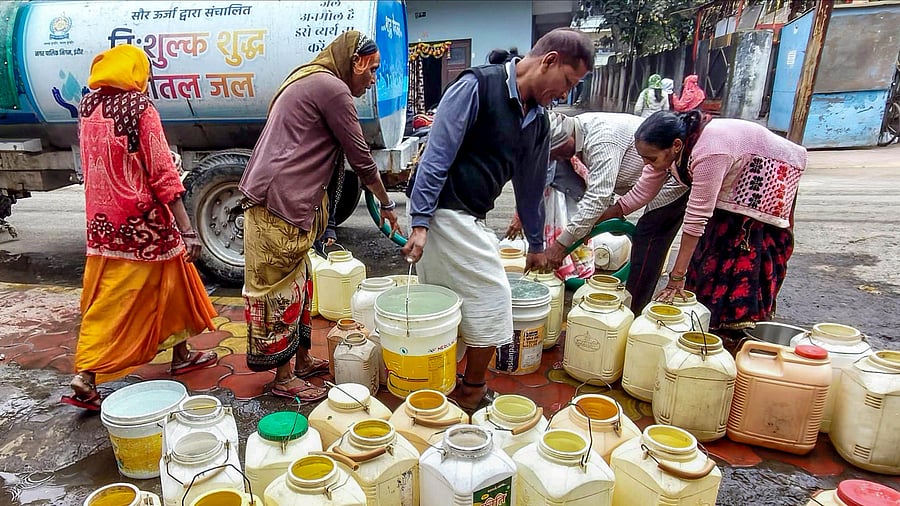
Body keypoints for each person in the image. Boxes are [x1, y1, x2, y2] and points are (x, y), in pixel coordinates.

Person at [402, 28, 594, 412]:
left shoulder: (538, 121)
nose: (565, 94)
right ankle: (472, 389)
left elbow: (530, 183)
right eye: (568, 82)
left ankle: (440, 381)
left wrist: (537, 244)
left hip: (469, 214)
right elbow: (437, 155)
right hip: (443, 211)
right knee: (494, 296)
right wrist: (421, 222)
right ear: (550, 60)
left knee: (450, 301)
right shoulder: (477, 87)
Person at [239, 31, 400, 401]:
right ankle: (282, 378)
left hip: (281, 201)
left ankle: (302, 359)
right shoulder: (333, 88)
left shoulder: (309, 77)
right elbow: (360, 156)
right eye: (372, 69)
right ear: (356, 62)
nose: (373, 79)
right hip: (277, 205)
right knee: (279, 291)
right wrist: (387, 204)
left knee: (301, 282)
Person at [63, 45, 218, 411]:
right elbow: (162, 172)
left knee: (173, 281)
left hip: (102, 227)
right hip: (143, 224)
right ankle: (86, 373)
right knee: (118, 303)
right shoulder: (139, 107)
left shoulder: (88, 106)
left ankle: (181, 353)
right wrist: (188, 229)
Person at [596, 110, 806, 339]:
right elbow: (643, 190)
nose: (647, 164)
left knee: (743, 252)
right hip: (732, 177)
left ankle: (737, 330)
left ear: (676, 145)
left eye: (651, 158)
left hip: (766, 178)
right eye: (643, 157)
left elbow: (695, 219)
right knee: (709, 253)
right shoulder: (670, 152)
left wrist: (676, 277)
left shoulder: (709, 152)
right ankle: (711, 321)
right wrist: (609, 213)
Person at [507, 111, 688, 312]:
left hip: (670, 182)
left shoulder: (601, 139)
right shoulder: (577, 132)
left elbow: (599, 197)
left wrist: (560, 246)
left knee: (647, 243)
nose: (554, 158)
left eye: (554, 152)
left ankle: (633, 312)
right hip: (644, 182)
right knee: (604, 225)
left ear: (566, 140)